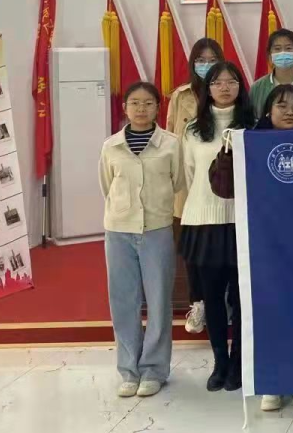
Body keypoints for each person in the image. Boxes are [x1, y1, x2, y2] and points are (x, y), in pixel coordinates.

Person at [99, 82, 183, 399]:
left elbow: (179, 181)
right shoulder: (111, 146)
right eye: (134, 103)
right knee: (123, 300)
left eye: (148, 103)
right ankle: (128, 370)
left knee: (158, 301)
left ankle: (154, 370)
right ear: (125, 107)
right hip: (118, 229)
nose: (141, 109)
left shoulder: (171, 144)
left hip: (157, 228)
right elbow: (107, 185)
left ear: (157, 108)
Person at [179, 62, 257, 393]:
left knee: (241, 299)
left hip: (242, 220)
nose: (225, 87)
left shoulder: (253, 126)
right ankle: (219, 362)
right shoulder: (193, 130)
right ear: (207, 88)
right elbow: (189, 174)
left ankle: (238, 363)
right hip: (203, 221)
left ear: (241, 86)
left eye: (231, 81)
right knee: (211, 298)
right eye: (217, 82)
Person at [251, 84, 293, 411]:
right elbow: (224, 186)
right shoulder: (251, 143)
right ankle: (273, 382)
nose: (290, 112)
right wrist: (227, 155)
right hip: (267, 241)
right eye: (282, 105)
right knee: (271, 310)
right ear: (268, 110)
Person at [166, 38, 224, 335]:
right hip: (186, 188)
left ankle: (222, 303)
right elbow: (170, 140)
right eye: (201, 60)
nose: (206, 65)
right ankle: (198, 303)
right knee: (193, 251)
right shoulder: (180, 97)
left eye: (213, 59)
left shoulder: (228, 93)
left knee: (222, 250)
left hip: (222, 189)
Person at [248, 29, 293, 119]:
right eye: (277, 49)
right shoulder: (257, 88)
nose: (283, 52)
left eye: (288, 48)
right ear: (270, 55)